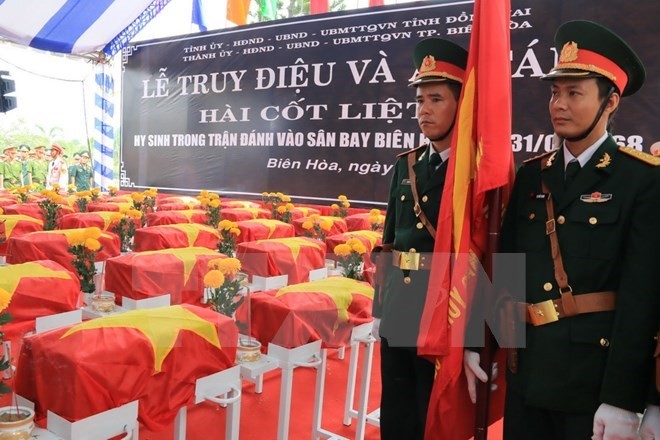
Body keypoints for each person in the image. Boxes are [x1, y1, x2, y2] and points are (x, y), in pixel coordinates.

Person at [464, 20, 660, 439]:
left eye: (575, 93)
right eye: (555, 91)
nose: (559, 104)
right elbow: (508, 268)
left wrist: (627, 397)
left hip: (593, 387)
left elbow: (642, 297)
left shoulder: (641, 180)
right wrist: (485, 343)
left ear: (610, 103)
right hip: (528, 374)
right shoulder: (533, 175)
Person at [371, 37, 467, 439]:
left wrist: (492, 339)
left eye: (436, 100)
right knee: (396, 407)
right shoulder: (406, 165)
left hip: (448, 308)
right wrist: (381, 309)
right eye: (420, 100)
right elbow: (390, 240)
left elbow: (497, 253)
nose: (424, 110)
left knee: (435, 413)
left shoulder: (476, 174)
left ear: (462, 104)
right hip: (401, 306)